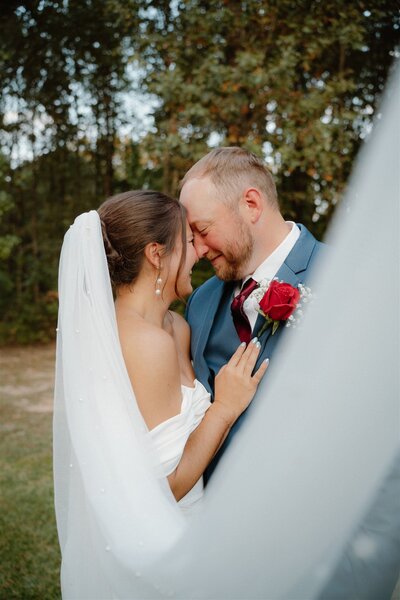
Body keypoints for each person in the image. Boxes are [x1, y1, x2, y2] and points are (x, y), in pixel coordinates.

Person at [180, 146, 325, 480]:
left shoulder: (343, 277)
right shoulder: (200, 302)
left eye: (203, 230)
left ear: (251, 204)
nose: (199, 250)